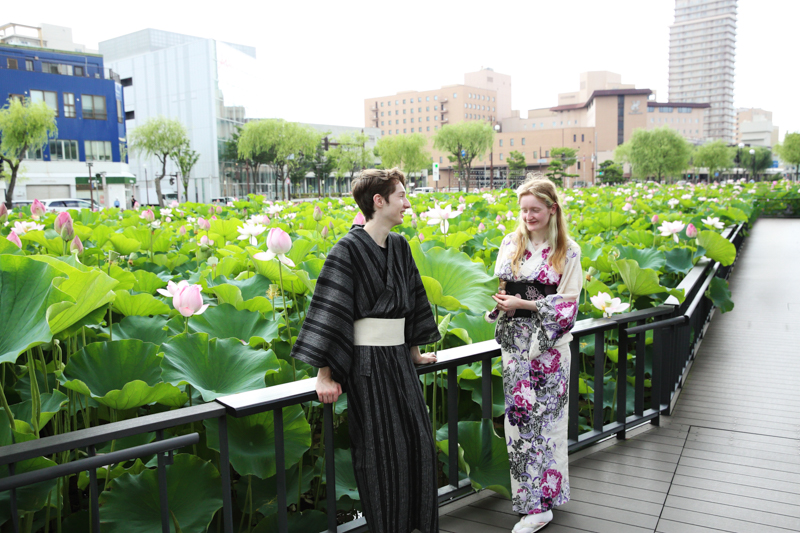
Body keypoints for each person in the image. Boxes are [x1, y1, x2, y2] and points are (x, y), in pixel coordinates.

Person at [291, 167, 441, 533]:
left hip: (399, 364)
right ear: (379, 201)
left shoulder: (401, 246)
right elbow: (330, 311)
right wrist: (324, 375)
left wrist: (415, 353)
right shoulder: (346, 250)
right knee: (380, 453)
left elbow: (414, 304)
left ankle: (416, 524)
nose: (407, 203)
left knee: (419, 444)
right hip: (368, 367)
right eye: (401, 196)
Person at [487, 173, 582, 533]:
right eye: (524, 209)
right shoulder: (511, 243)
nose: (528, 216)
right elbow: (502, 287)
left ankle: (545, 502)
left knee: (550, 426)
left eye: (535, 209)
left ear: (552, 209)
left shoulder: (569, 252)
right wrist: (502, 305)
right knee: (518, 423)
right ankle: (532, 504)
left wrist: (523, 302)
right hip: (514, 347)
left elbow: (568, 305)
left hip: (549, 351)